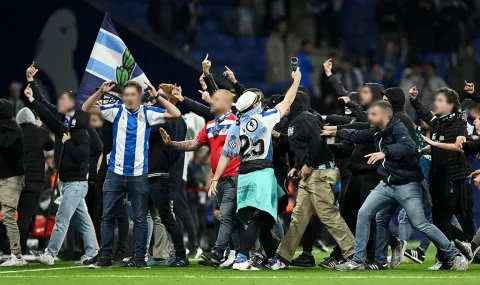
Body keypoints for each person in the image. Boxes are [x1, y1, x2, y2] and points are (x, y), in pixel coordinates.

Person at [321, 100, 469, 271]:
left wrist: (384, 153)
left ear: (384, 117)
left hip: (407, 185)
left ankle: (454, 255)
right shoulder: (377, 132)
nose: (369, 117)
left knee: (420, 223)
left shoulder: (398, 129)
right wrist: (330, 133)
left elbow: (409, 146)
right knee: (364, 213)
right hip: (387, 184)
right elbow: (356, 134)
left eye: (373, 114)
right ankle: (359, 261)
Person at [209, 67, 301, 270]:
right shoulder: (264, 119)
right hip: (262, 173)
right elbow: (287, 101)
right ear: (255, 105)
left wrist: (215, 178)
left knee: (266, 217)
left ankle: (272, 258)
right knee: (259, 217)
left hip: (244, 174)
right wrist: (296, 81)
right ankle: (242, 257)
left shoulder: (236, 125)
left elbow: (226, 155)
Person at [82, 80, 180, 269]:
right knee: (107, 215)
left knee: (140, 218)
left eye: (133, 94)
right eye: (126, 94)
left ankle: (139, 257)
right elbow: (86, 108)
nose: (128, 98)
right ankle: (105, 257)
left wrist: (157, 95)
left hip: (138, 174)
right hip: (115, 173)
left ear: (140, 96)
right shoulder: (116, 110)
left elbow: (175, 113)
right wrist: (100, 92)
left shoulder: (148, 112)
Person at [272, 90, 355, 270]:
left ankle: (355, 255)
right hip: (311, 174)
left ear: (295, 103)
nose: (283, 106)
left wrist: (308, 163)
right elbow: (304, 147)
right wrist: (297, 166)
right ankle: (283, 257)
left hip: (320, 173)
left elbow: (316, 142)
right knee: (298, 217)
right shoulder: (294, 121)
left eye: (287, 102)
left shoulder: (305, 118)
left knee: (329, 215)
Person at [161, 89, 241, 268]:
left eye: (215, 99)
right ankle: (236, 254)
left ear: (228, 103)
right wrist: (172, 144)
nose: (211, 102)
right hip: (219, 178)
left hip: (237, 175)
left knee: (226, 215)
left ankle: (218, 251)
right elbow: (194, 144)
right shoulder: (211, 124)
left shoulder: (237, 121)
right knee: (229, 217)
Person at [24, 85, 97, 265]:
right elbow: (48, 116)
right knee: (83, 220)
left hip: (76, 183)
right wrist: (32, 98)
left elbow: (82, 155)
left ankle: (50, 253)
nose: (59, 101)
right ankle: (92, 252)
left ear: (72, 106)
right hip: (70, 182)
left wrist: (68, 142)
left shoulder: (79, 132)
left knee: (62, 219)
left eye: (63, 99)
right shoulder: (66, 126)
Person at [409, 86, 473, 269]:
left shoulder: (459, 122)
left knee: (444, 220)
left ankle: (451, 257)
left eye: (440, 101)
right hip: (437, 176)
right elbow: (426, 116)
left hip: (452, 178)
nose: (435, 103)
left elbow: (459, 147)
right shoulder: (439, 121)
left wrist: (434, 143)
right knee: (438, 220)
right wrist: (414, 100)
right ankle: (458, 251)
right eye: (435, 100)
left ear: (451, 105)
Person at [15, 108, 54, 254]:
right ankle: (21, 251)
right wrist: (39, 128)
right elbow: (50, 145)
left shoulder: (14, 132)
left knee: (15, 216)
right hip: (35, 182)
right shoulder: (40, 132)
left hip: (15, 180)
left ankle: (15, 251)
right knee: (25, 216)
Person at [0, 99, 26, 266]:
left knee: (8, 216)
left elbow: (3, 143)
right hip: (3, 175)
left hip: (11, 177)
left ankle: (16, 256)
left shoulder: (13, 128)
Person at [266, 20, 298, 84]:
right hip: (278, 67)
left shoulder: (291, 39)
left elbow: (294, 54)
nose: (283, 28)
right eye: (281, 26)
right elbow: (270, 54)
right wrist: (274, 66)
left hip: (290, 66)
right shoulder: (272, 39)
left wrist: (294, 68)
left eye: (284, 26)